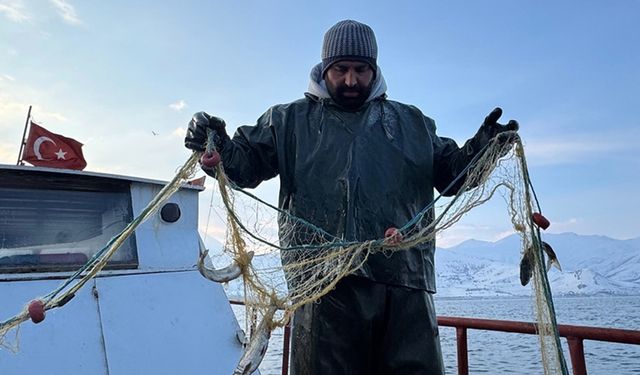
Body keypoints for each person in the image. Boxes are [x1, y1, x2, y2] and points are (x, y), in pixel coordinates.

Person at [185, 19, 518, 375]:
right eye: (340, 69)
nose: (350, 80)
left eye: (361, 70)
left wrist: (484, 147)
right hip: (322, 288)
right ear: (324, 68)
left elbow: (453, 176)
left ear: (374, 70)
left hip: (405, 283)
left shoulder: (413, 122)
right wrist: (216, 143)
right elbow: (245, 165)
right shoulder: (287, 121)